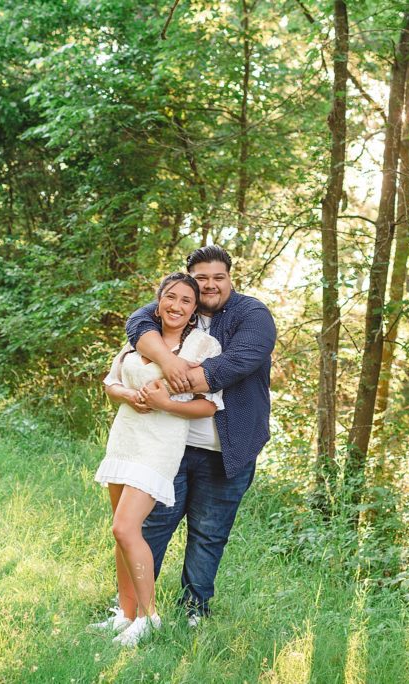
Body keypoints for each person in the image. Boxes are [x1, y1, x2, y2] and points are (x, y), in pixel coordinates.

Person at [126, 245, 275, 626]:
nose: (210, 284)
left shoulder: (252, 314)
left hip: (227, 449)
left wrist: (166, 383)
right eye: (202, 278)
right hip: (168, 445)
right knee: (151, 527)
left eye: (218, 277)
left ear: (230, 278)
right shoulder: (179, 306)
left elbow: (236, 363)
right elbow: (137, 324)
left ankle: (194, 611)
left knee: (209, 534)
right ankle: (136, 612)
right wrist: (168, 360)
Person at [91, 273, 224, 647]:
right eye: (170, 297)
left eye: (186, 300)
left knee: (125, 528)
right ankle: (125, 614)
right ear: (159, 301)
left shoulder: (204, 346)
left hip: (159, 446)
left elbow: (210, 406)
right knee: (121, 533)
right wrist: (129, 396)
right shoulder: (140, 337)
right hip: (125, 438)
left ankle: (149, 618)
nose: (176, 305)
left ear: (194, 310)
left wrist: (165, 403)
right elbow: (111, 382)